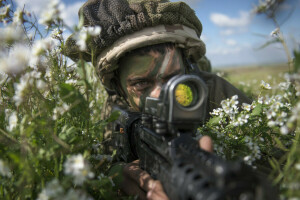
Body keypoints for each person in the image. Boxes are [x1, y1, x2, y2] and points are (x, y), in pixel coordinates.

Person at [65, 0, 251, 199]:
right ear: (118, 87)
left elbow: (277, 157)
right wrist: (118, 173)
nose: (161, 95)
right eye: (141, 83)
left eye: (174, 79)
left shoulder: (212, 92)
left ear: (186, 68)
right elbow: (105, 155)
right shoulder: (117, 107)